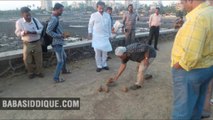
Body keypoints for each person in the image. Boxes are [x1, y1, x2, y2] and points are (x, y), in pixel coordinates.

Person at [171, 0, 213, 119]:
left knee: (182, 112)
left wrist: (179, 65)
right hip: (207, 67)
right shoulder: (210, 12)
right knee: (196, 104)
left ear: (190, 1)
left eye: (182, 1)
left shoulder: (197, 17)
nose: (181, 4)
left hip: (190, 70)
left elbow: (192, 56)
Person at [15, 7, 44, 79]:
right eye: (26, 13)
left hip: (37, 43)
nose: (28, 14)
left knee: (39, 59)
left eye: (29, 12)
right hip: (27, 44)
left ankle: (39, 72)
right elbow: (17, 33)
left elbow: (41, 29)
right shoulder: (19, 22)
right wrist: (23, 33)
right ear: (22, 14)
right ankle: (30, 72)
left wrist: (34, 32)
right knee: (27, 60)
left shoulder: (35, 20)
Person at [46, 3, 70, 83]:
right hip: (56, 42)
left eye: (62, 10)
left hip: (59, 41)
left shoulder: (55, 17)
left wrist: (62, 35)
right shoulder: (54, 19)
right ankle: (56, 78)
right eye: (60, 10)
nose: (62, 12)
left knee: (64, 57)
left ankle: (64, 70)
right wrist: (60, 35)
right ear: (56, 9)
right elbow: (48, 31)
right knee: (60, 61)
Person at [88, 1, 112, 72]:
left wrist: (110, 35)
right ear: (97, 7)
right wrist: (90, 33)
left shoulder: (107, 15)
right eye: (99, 7)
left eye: (102, 7)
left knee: (105, 52)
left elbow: (109, 26)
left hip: (105, 36)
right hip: (96, 37)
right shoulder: (93, 15)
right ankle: (99, 65)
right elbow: (90, 25)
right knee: (97, 52)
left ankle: (104, 64)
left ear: (104, 7)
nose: (101, 9)